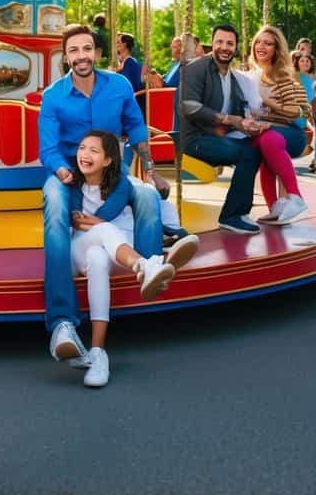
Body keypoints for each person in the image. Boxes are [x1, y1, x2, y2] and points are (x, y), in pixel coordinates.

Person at [39, 24, 198, 363]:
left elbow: (136, 127)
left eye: (86, 49)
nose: (81, 56)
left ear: (97, 53)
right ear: (65, 57)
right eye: (73, 51)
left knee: (147, 197)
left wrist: (152, 172)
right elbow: (48, 148)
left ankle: (151, 266)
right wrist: (65, 172)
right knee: (54, 209)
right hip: (69, 170)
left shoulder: (119, 85)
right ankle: (61, 321)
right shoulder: (54, 95)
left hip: (112, 169)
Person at [69, 131, 180, 388]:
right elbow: (75, 222)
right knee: (104, 231)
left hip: (98, 251)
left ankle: (97, 351)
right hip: (74, 251)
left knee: (98, 254)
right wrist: (93, 223)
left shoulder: (121, 185)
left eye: (94, 151)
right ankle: (145, 265)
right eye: (82, 148)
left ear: (108, 160)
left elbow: (100, 218)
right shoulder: (71, 184)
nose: (85, 154)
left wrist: (93, 222)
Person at [180, 23, 265, 234]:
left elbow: (241, 111)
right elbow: (189, 106)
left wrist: (250, 124)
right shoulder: (195, 68)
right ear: (212, 44)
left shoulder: (233, 78)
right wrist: (231, 120)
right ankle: (232, 215)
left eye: (230, 43)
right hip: (195, 140)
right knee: (247, 152)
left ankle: (251, 209)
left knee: (259, 144)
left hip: (219, 137)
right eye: (219, 42)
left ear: (236, 47)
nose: (224, 47)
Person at [244, 26, 311, 225]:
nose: (261, 46)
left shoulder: (283, 76)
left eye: (268, 43)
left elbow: (298, 113)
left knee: (268, 139)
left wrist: (268, 102)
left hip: (292, 134)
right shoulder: (251, 76)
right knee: (263, 157)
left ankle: (295, 196)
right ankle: (275, 207)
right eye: (258, 41)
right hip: (266, 132)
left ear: (276, 49)